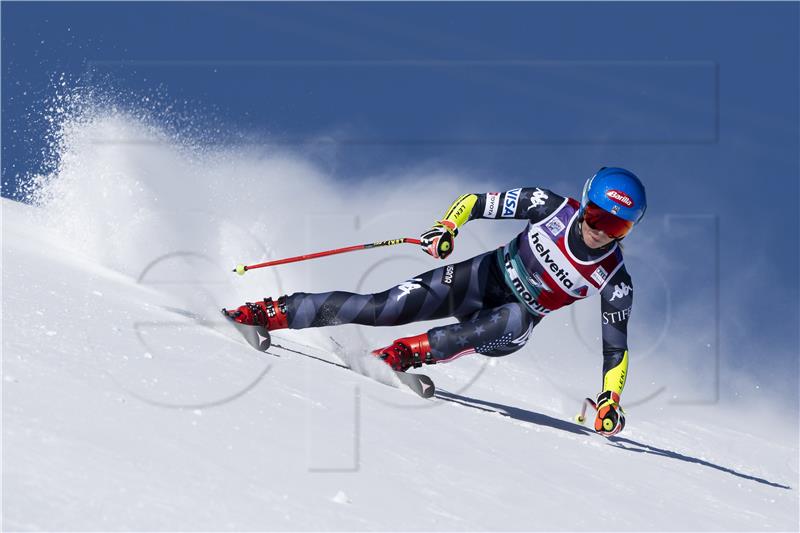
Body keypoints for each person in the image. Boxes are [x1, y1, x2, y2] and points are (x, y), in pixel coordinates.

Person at [223, 167, 646, 436]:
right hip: (478, 279)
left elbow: (616, 349)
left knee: (515, 316)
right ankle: (264, 313)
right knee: (381, 308)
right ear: (584, 202)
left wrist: (610, 399)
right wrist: (447, 227)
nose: (603, 231)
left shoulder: (614, 278)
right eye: (597, 217)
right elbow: (476, 203)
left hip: (508, 326)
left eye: (618, 227)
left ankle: (401, 356)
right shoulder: (547, 206)